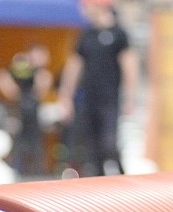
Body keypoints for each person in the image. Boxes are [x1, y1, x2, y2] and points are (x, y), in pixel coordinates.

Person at [57, 0, 138, 176]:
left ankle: (121, 175)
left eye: (86, 6)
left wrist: (130, 98)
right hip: (89, 98)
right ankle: (99, 181)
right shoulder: (87, 35)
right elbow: (74, 66)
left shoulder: (118, 34)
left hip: (109, 99)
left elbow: (129, 66)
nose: (83, 11)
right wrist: (65, 96)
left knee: (109, 143)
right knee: (91, 147)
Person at [0, 44, 54, 176]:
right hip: (20, 109)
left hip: (33, 110)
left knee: (35, 142)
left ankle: (37, 170)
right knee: (19, 142)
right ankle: (16, 169)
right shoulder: (23, 67)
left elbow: (41, 91)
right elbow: (2, 75)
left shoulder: (40, 73)